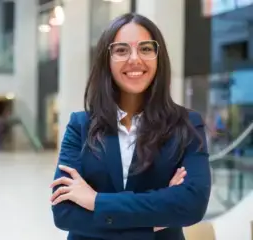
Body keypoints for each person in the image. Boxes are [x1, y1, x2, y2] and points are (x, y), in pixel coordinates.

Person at [50, 13, 211, 240]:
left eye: (145, 49)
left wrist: (95, 200)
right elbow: (64, 213)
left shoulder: (186, 125)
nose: (134, 59)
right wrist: (154, 217)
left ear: (158, 57)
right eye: (121, 50)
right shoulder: (81, 126)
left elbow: (192, 205)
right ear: (106, 60)